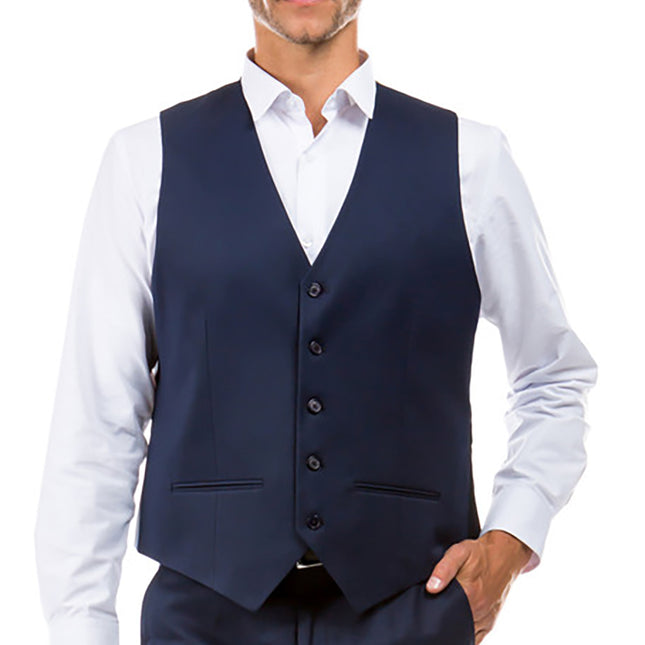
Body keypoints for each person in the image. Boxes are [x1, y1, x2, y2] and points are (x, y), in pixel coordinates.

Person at [33, 1, 599, 644]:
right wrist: (81, 628)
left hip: (413, 613)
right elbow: (97, 419)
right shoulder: (145, 161)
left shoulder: (473, 159)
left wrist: (509, 541)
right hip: (203, 620)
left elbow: (554, 375)